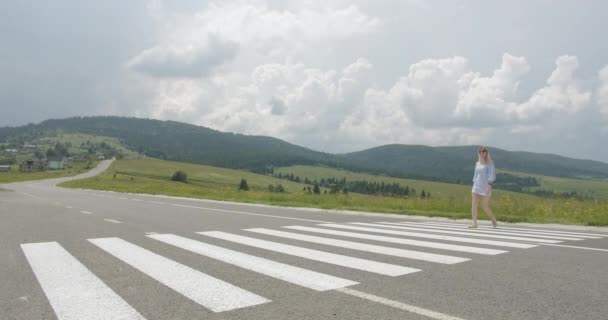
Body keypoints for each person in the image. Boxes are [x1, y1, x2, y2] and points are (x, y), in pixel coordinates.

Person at [470, 146, 497, 228]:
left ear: (487, 152)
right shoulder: (477, 163)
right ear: (479, 153)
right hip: (477, 185)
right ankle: (475, 223)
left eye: (484, 151)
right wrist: (474, 183)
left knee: (484, 205)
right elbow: (475, 175)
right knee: (474, 203)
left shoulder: (490, 163)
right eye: (480, 151)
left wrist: (489, 185)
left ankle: (493, 220)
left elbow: (491, 175)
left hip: (486, 185)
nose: (482, 153)